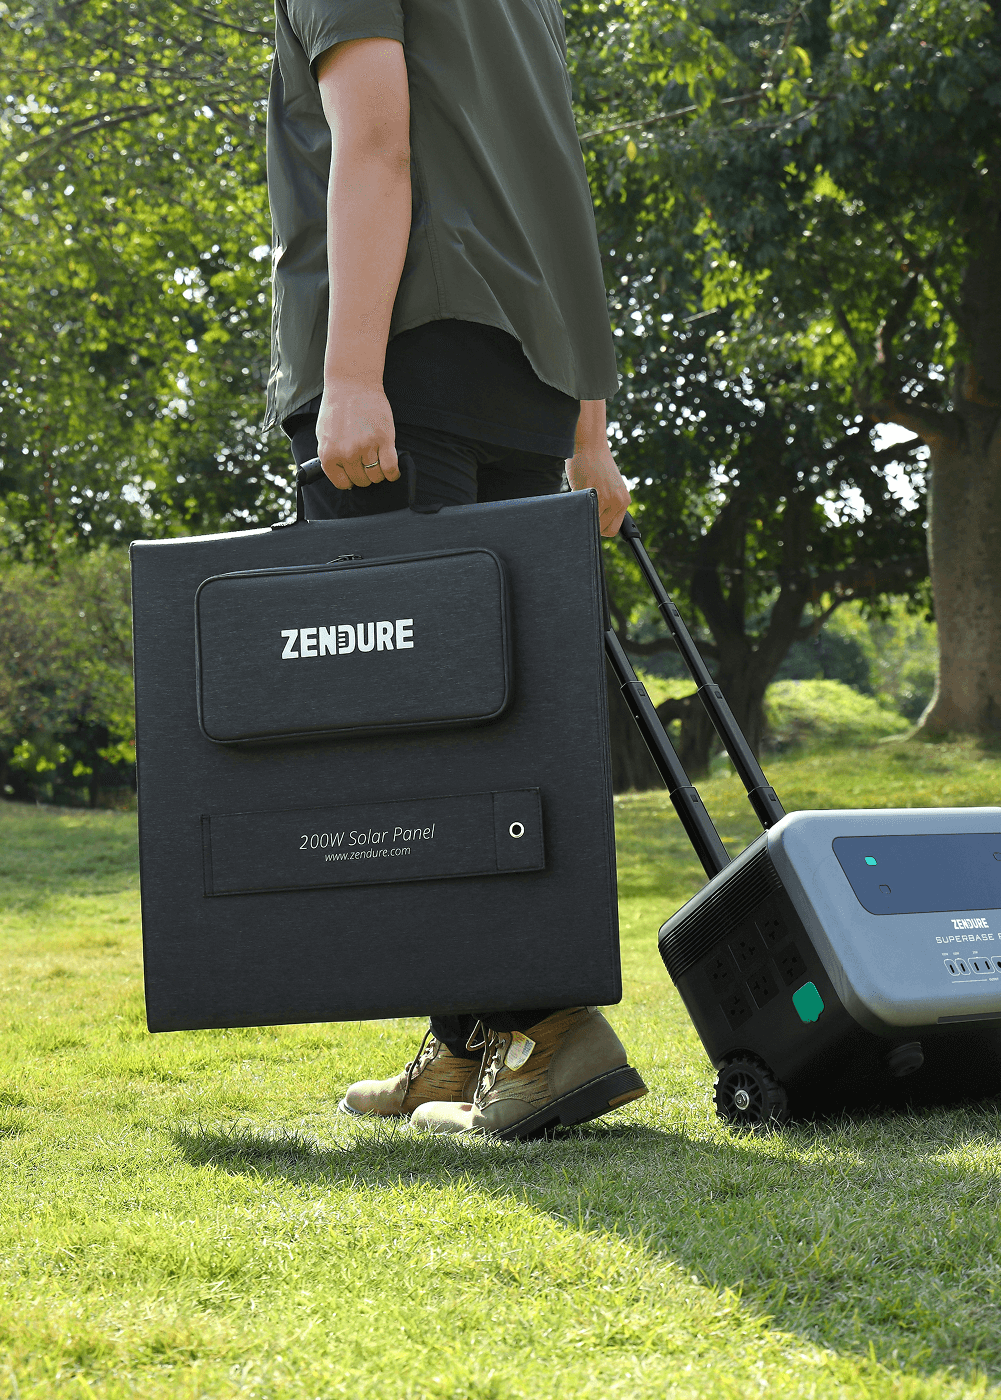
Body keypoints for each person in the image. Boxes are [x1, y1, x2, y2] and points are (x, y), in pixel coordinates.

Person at [264, 0, 645, 1137]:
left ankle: (544, 1030)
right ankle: (471, 1034)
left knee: (406, 730)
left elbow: (377, 144)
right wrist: (588, 433)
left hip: (405, 354)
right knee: (507, 718)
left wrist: (348, 375)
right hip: (526, 370)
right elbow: (555, 179)